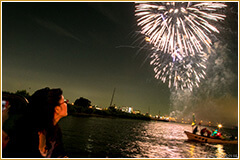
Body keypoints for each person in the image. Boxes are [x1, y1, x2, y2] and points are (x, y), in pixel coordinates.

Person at [3, 87, 68, 158]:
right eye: (64, 101)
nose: (66, 103)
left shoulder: (55, 131)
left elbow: (60, 153)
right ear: (57, 109)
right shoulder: (25, 135)